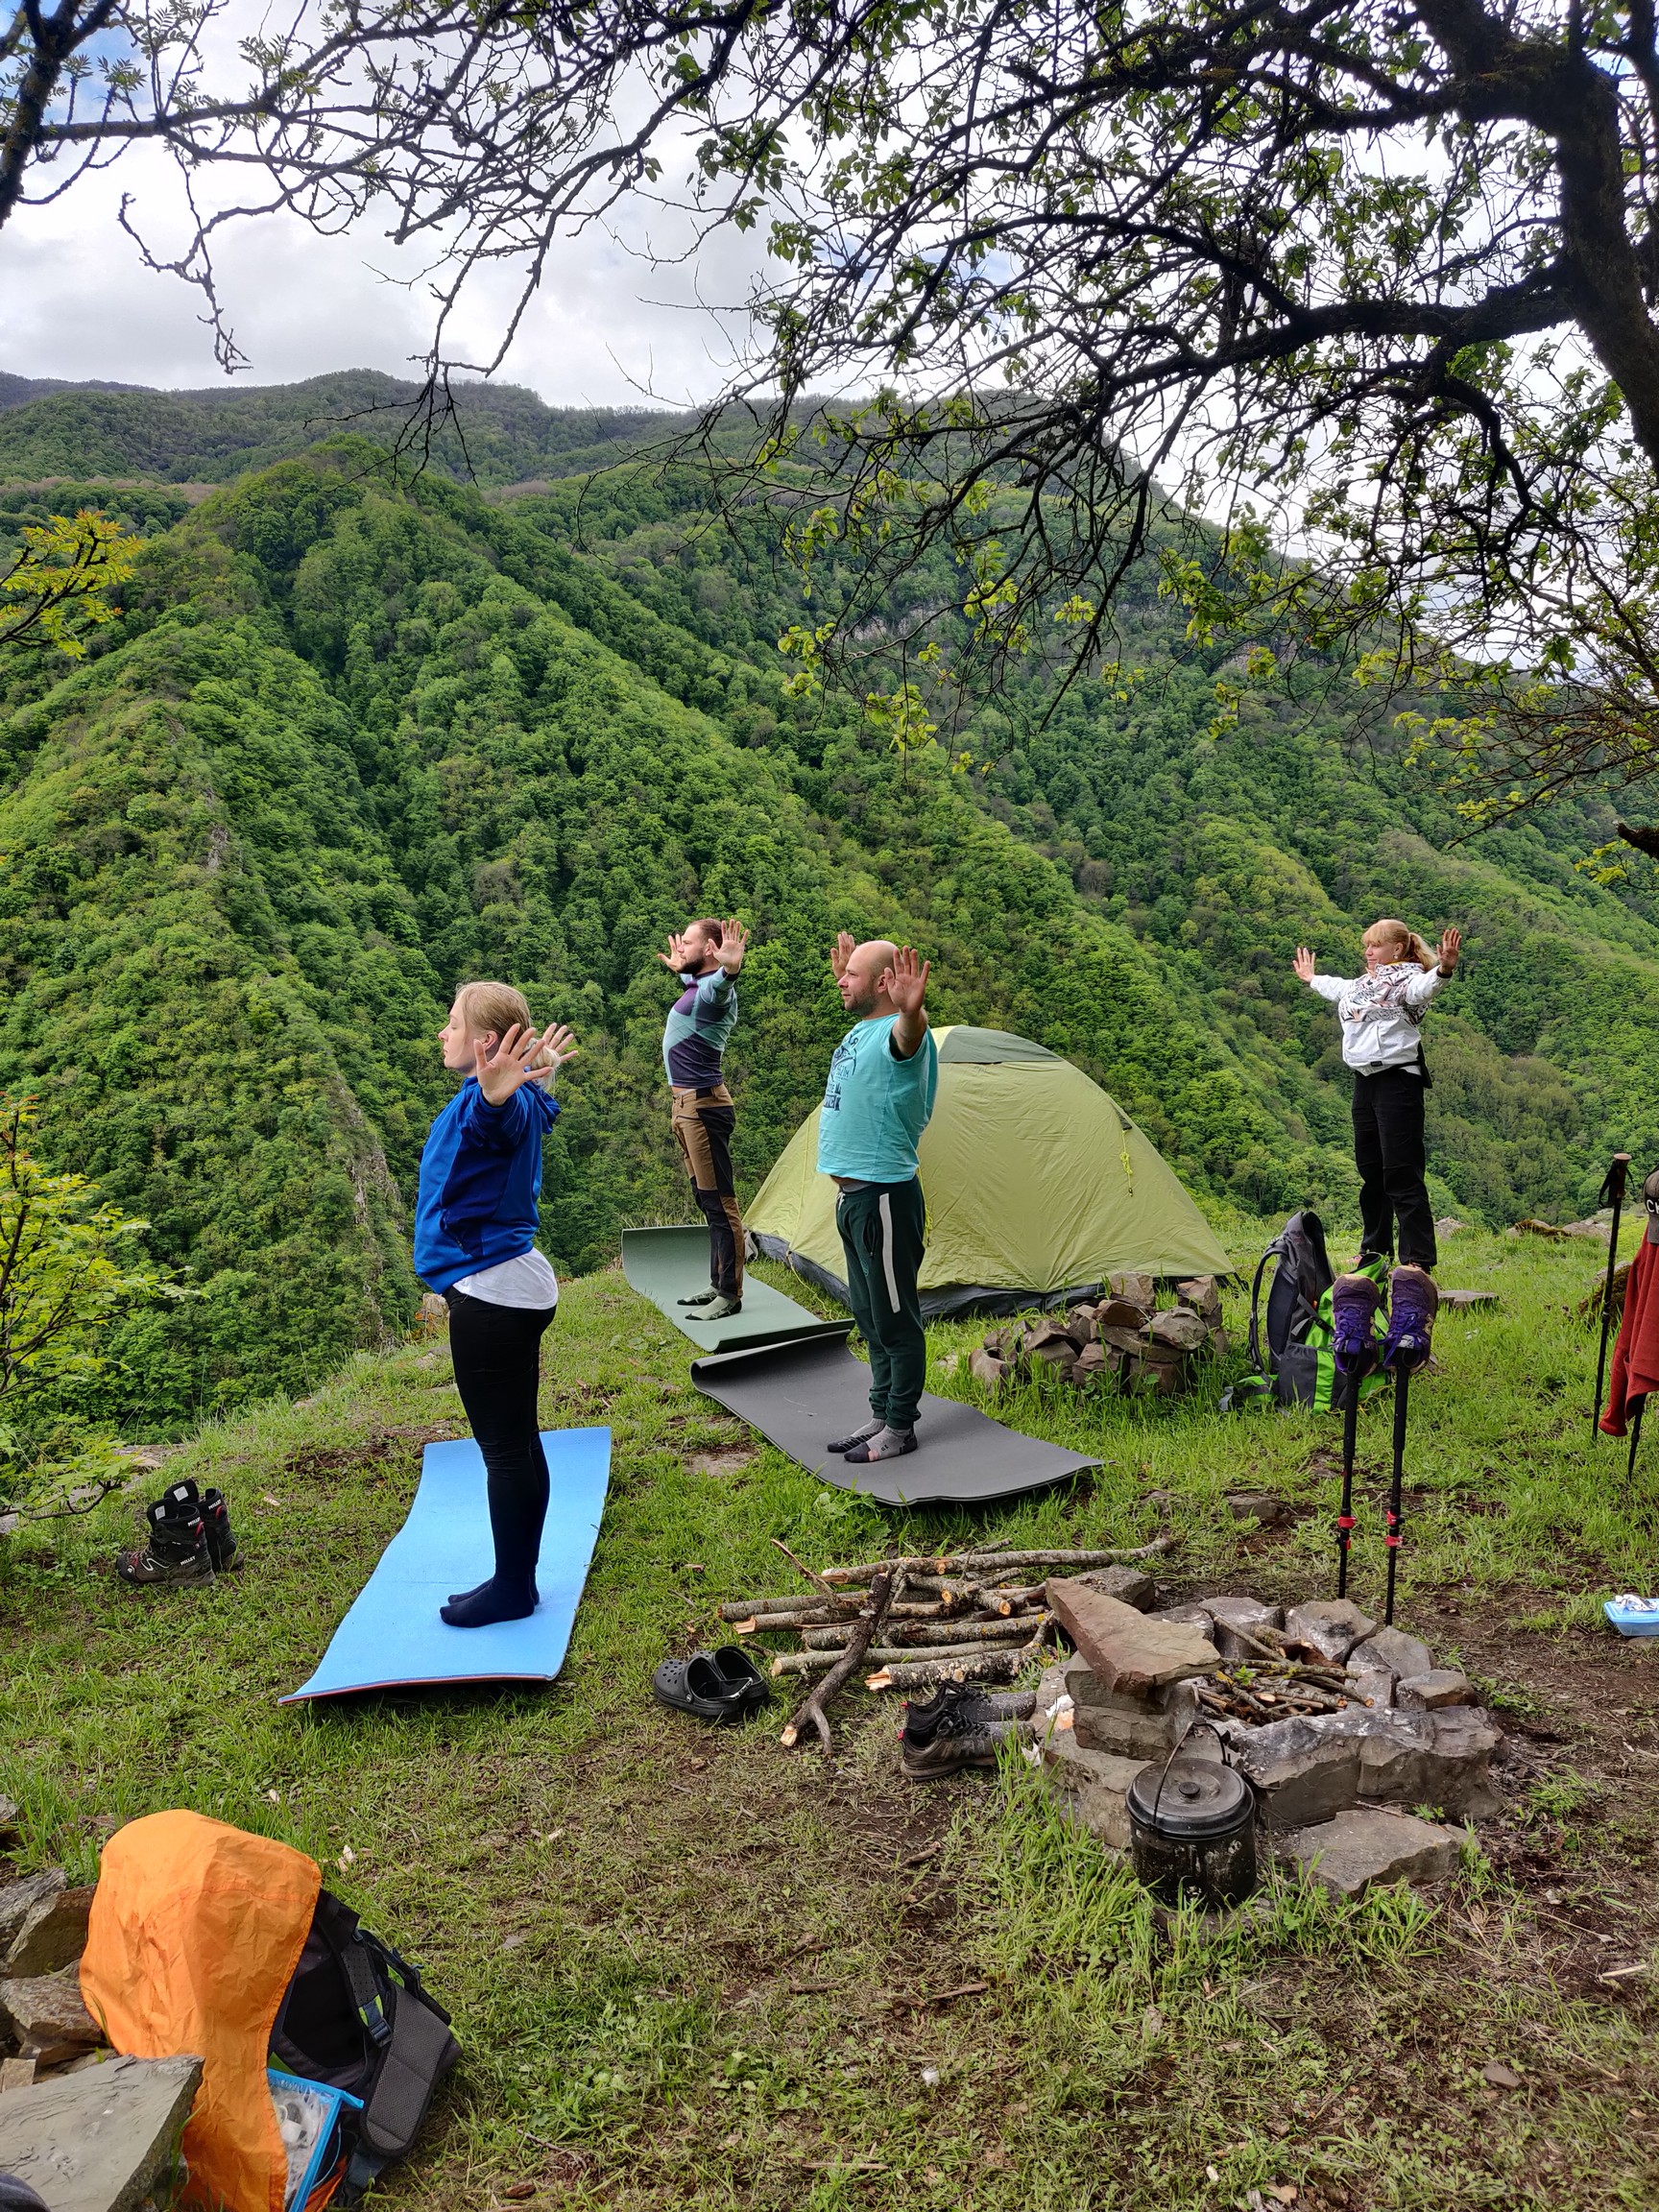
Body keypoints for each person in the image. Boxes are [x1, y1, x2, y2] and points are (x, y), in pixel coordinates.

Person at [413, 981, 577, 1627]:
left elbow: (495, 1121)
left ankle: (512, 1587)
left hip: (491, 1294)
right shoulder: (518, 1096)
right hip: (507, 1285)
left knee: (503, 1449)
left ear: (486, 1045)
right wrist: (529, 1083)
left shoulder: (495, 1105)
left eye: (452, 1022)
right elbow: (513, 1113)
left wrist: (497, 1093)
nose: (441, 1032)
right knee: (516, 1440)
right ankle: (518, 1579)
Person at [1293, 918, 1462, 1369]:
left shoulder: (1407, 980)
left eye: (1375, 947)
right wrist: (1311, 980)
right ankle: (1375, 1249)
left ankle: (1417, 1258)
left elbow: (1427, 989)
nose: (1368, 953)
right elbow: (1337, 987)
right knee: (1371, 1170)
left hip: (1397, 1081)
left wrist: (1444, 969)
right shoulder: (1361, 983)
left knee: (1401, 1171)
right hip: (1364, 1081)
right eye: (1366, 946)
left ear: (1398, 949)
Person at [818, 933, 938, 1463]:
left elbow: (908, 1034)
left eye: (852, 975)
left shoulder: (900, 1034)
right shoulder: (864, 1029)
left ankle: (901, 1426)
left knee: (894, 1316)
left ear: (887, 984)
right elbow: (869, 1001)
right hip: (854, 1200)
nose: (840, 980)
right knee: (868, 1316)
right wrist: (855, 969)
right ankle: (879, 1413)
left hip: (885, 1198)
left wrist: (912, 1012)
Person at [658, 916, 750, 1318]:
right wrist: (682, 970)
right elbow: (699, 982)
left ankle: (729, 1294)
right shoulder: (696, 984)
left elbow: (722, 984)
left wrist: (731, 968)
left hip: (703, 1107)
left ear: (712, 950)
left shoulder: (716, 991)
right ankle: (716, 1283)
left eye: (689, 943)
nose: (682, 948)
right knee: (705, 1199)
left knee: (721, 1201)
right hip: (686, 1107)